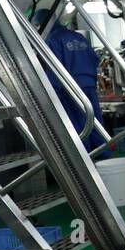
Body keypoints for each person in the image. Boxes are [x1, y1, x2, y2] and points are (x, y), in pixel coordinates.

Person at [36, 8, 103, 152]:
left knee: (78, 127)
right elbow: (94, 60)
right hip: (89, 86)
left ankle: (86, 160)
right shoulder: (79, 37)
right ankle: (104, 154)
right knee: (95, 122)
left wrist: (51, 93)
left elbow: (54, 69)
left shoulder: (53, 40)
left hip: (70, 90)